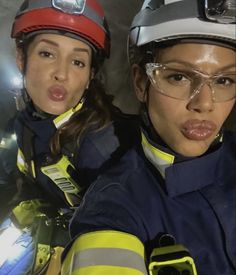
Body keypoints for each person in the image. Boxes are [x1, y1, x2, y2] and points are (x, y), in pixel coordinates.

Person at [61, 0, 236, 274]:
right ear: (141, 83)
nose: (205, 103)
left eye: (224, 81)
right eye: (179, 77)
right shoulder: (114, 206)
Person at [0, 0, 139, 274]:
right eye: (47, 54)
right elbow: (16, 176)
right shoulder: (23, 125)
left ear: (90, 76)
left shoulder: (102, 144)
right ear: (21, 58)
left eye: (78, 61)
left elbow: (121, 222)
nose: (61, 74)